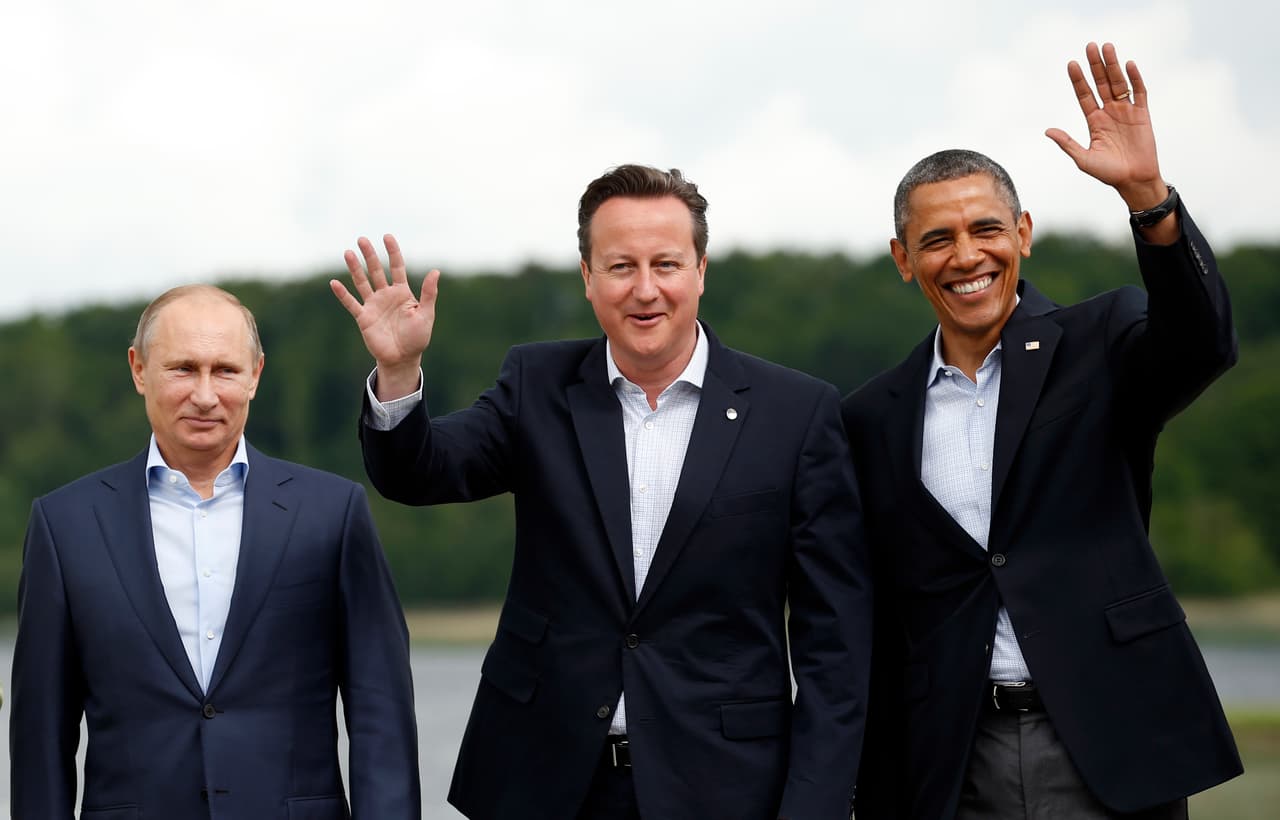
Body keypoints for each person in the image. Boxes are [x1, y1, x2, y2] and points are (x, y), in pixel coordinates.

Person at [330, 164, 871, 820]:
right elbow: (419, 473)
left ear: (701, 270)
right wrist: (399, 371)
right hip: (544, 786)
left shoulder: (797, 413)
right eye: (620, 267)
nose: (645, 289)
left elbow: (835, 647)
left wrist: (814, 808)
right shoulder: (536, 384)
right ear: (588, 277)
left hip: (724, 789)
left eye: (666, 264)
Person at [841, 42, 1243, 819]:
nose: (967, 256)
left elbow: (1203, 344)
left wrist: (1148, 198)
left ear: (1023, 232)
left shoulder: (1100, 339)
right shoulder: (869, 416)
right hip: (947, 755)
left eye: (986, 229)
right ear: (903, 258)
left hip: (1107, 735)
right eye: (937, 239)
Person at [10, 285, 421, 819]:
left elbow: (381, 712)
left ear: (255, 375)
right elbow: (41, 736)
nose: (205, 395)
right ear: (139, 369)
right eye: (184, 369)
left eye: (224, 370)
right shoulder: (65, 525)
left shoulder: (332, 513)